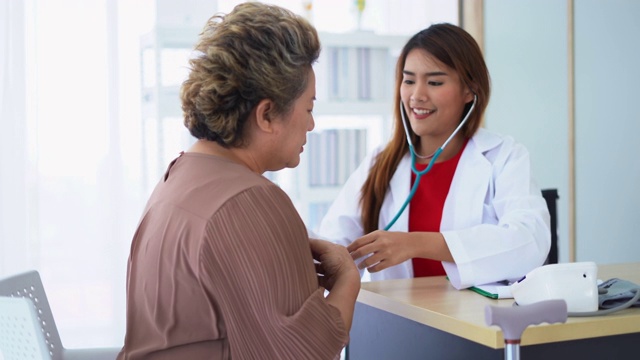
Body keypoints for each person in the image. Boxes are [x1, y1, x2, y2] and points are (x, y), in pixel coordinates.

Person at [118, 3, 360, 359]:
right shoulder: (250, 200)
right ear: (266, 115)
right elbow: (305, 354)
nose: (311, 124)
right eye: (308, 108)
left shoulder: (177, 178)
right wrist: (347, 280)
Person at [317, 23, 550, 290]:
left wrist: (415, 243)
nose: (417, 96)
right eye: (409, 80)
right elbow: (335, 240)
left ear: (469, 90)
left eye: (435, 82)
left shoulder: (504, 157)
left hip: (477, 323)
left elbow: (531, 241)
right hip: (401, 322)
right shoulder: (380, 163)